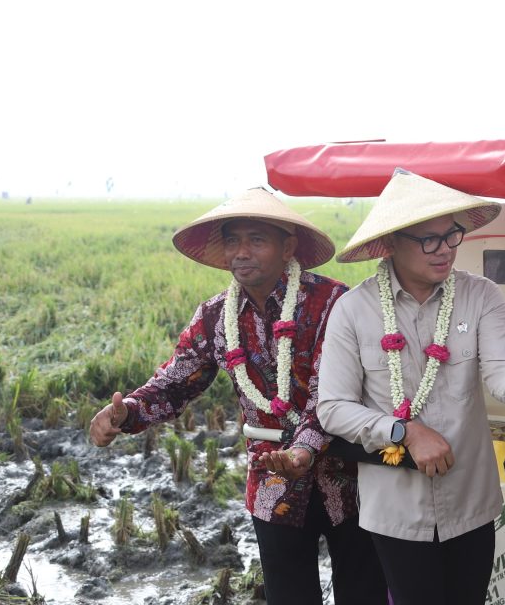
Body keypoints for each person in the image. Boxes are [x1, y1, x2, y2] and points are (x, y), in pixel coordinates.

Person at [88, 188, 387, 605]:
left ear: (288, 247)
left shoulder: (332, 303)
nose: (241, 252)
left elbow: (332, 394)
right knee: (289, 597)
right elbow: (176, 381)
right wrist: (128, 412)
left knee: (364, 593)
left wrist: (302, 451)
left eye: (256, 240)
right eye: (232, 241)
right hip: (273, 483)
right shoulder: (215, 316)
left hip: (350, 478)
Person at [316, 168, 505, 605]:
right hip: (396, 509)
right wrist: (405, 431)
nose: (445, 250)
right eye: (428, 240)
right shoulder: (353, 310)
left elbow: (502, 367)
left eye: (452, 235)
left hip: (470, 500)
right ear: (393, 242)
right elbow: (333, 407)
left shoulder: (481, 295)